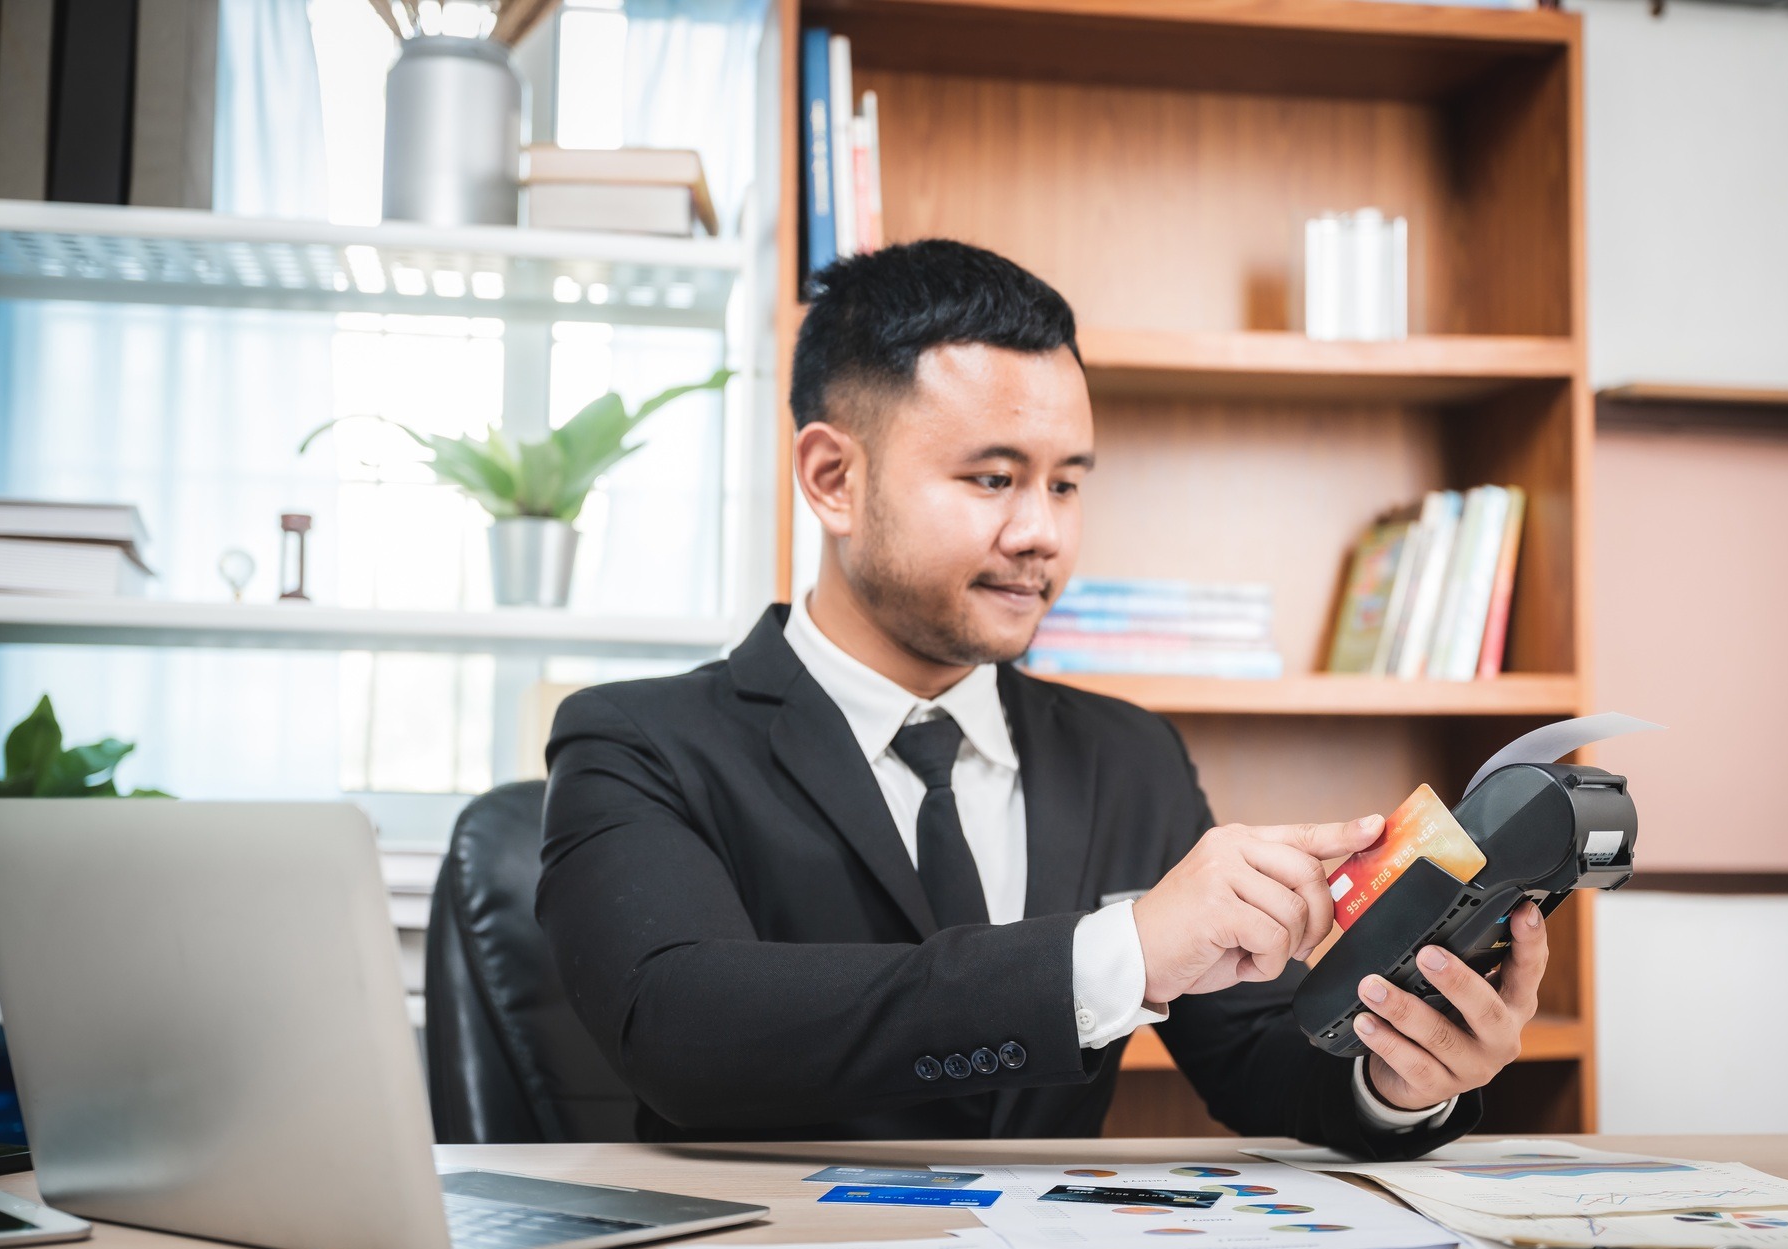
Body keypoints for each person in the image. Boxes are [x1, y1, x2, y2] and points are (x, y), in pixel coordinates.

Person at [537, 239, 1547, 1158]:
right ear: (832, 478)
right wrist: (1124, 952)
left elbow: (1254, 1058)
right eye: (990, 479)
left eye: (1065, 485)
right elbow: (682, 1032)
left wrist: (1395, 1070)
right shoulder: (635, 742)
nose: (1043, 535)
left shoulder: (1126, 754)